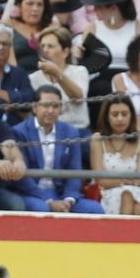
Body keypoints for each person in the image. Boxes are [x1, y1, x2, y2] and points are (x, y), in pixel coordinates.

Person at [16, 82, 101, 212]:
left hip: (61, 193)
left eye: (55, 106)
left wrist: (68, 200)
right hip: (33, 194)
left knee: (95, 209)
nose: (50, 111)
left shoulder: (70, 132)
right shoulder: (20, 132)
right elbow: (22, 178)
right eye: (45, 106)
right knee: (42, 209)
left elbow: (75, 171)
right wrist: (49, 201)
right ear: (34, 107)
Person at [91, 91, 140, 214]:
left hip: (138, 192)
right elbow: (101, 180)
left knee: (134, 201)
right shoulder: (97, 139)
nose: (120, 119)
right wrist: (125, 182)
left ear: (131, 116)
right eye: (115, 114)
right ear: (106, 116)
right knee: (127, 196)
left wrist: (122, 182)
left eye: (124, 114)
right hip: (109, 193)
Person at [31, 24, 87, 128]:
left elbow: (78, 98)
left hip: (77, 131)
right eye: (42, 46)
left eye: (50, 46)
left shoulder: (80, 71)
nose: (45, 50)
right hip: (46, 133)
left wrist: (57, 73)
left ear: (65, 52)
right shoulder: (33, 78)